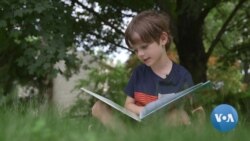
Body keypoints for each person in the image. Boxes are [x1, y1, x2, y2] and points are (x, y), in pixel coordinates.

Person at [91, 10, 204, 130]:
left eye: (144, 47)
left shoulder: (182, 75)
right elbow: (128, 105)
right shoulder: (139, 73)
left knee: (177, 115)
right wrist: (143, 111)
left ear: (163, 39)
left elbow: (196, 108)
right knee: (98, 107)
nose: (140, 54)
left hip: (163, 125)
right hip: (136, 125)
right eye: (136, 50)